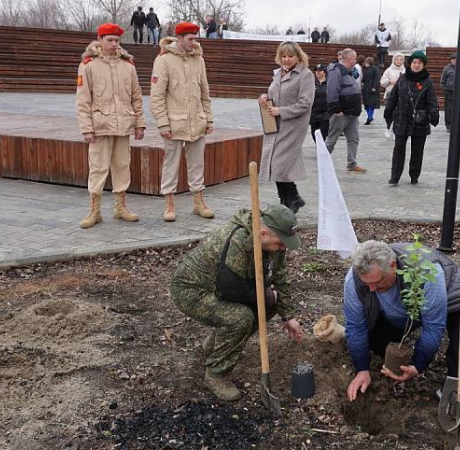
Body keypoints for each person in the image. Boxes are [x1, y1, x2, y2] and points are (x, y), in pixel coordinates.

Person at [170, 204, 304, 401]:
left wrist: (288, 316)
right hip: (194, 291)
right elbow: (230, 289)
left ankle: (219, 343)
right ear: (264, 234)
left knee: (272, 304)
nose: (284, 248)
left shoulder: (274, 244)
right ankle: (216, 374)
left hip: (224, 288)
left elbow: (280, 276)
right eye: (281, 243)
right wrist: (267, 296)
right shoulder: (238, 242)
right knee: (240, 318)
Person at [343, 240, 460, 401]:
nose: (372, 289)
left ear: (393, 265)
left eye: (377, 282)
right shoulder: (354, 281)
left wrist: (418, 365)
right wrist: (362, 369)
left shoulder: (428, 273)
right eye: (366, 283)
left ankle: (458, 388)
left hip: (450, 297)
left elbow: (433, 326)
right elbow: (355, 327)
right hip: (403, 310)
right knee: (375, 343)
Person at [76, 23, 145, 230]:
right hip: (100, 126)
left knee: (122, 166)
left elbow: (136, 97)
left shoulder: (128, 66)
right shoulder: (88, 65)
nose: (114, 44)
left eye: (117, 40)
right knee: (98, 167)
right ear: (100, 40)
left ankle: (120, 207)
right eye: (110, 40)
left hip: (124, 124)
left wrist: (140, 124)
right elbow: (82, 101)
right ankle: (94, 211)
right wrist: (86, 127)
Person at [151, 22, 215, 221]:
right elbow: (157, 96)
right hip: (173, 123)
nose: (194, 42)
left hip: (197, 122)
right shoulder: (163, 60)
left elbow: (205, 92)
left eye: (196, 38)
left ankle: (198, 202)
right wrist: (162, 123)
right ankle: (169, 203)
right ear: (179, 38)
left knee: (197, 164)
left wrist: (209, 119)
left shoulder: (199, 60)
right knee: (171, 164)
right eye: (190, 39)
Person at [258, 42, 315, 214]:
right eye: (284, 56)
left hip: (292, 125)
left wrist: (281, 111)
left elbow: (306, 103)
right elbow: (274, 94)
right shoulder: (278, 73)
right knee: (274, 163)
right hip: (273, 123)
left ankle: (294, 198)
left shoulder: (305, 75)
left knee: (279, 163)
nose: (287, 59)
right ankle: (286, 199)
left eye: (290, 56)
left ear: (298, 56)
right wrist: (263, 97)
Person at [383, 50, 439, 186]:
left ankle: (414, 175)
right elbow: (393, 97)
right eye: (414, 62)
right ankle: (395, 176)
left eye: (420, 63)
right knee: (398, 149)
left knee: (417, 151)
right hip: (402, 119)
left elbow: (432, 100)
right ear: (410, 64)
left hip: (420, 121)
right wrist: (388, 112)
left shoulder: (427, 82)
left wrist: (434, 114)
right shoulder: (402, 78)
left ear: (423, 65)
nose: (417, 65)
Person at [325, 48, 367, 174]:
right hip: (341, 113)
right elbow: (332, 91)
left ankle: (352, 164)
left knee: (354, 139)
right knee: (332, 139)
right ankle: (322, 161)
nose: (356, 60)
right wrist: (336, 109)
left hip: (352, 113)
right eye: (355, 58)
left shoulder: (349, 72)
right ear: (350, 59)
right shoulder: (336, 71)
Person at [380, 52, 405, 138]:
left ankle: (395, 130)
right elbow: (382, 82)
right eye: (397, 59)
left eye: (401, 59)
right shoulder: (388, 70)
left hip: (401, 95)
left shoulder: (405, 70)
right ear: (394, 60)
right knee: (389, 112)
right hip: (390, 94)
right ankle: (388, 127)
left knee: (399, 113)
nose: (399, 61)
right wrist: (389, 81)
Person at [310, 64, 330, 142]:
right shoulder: (312, 84)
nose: (317, 72)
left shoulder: (329, 84)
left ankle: (323, 151)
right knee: (314, 133)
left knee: (323, 134)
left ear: (324, 72)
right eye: (316, 71)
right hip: (314, 113)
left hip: (325, 113)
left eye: (320, 71)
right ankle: (319, 148)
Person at [440, 53, 457, 132]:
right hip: (449, 91)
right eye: (453, 59)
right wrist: (445, 89)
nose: (455, 61)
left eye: (456, 59)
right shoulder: (447, 68)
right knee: (448, 109)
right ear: (451, 60)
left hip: (458, 92)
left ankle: (456, 125)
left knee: (456, 109)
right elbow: (442, 81)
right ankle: (448, 125)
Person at [362, 57, 380, 126]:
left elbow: (377, 78)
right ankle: (370, 116)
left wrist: (374, 87)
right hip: (366, 88)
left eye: (367, 63)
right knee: (366, 104)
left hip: (372, 88)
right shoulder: (365, 69)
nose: (366, 64)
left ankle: (369, 118)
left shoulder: (375, 69)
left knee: (371, 104)